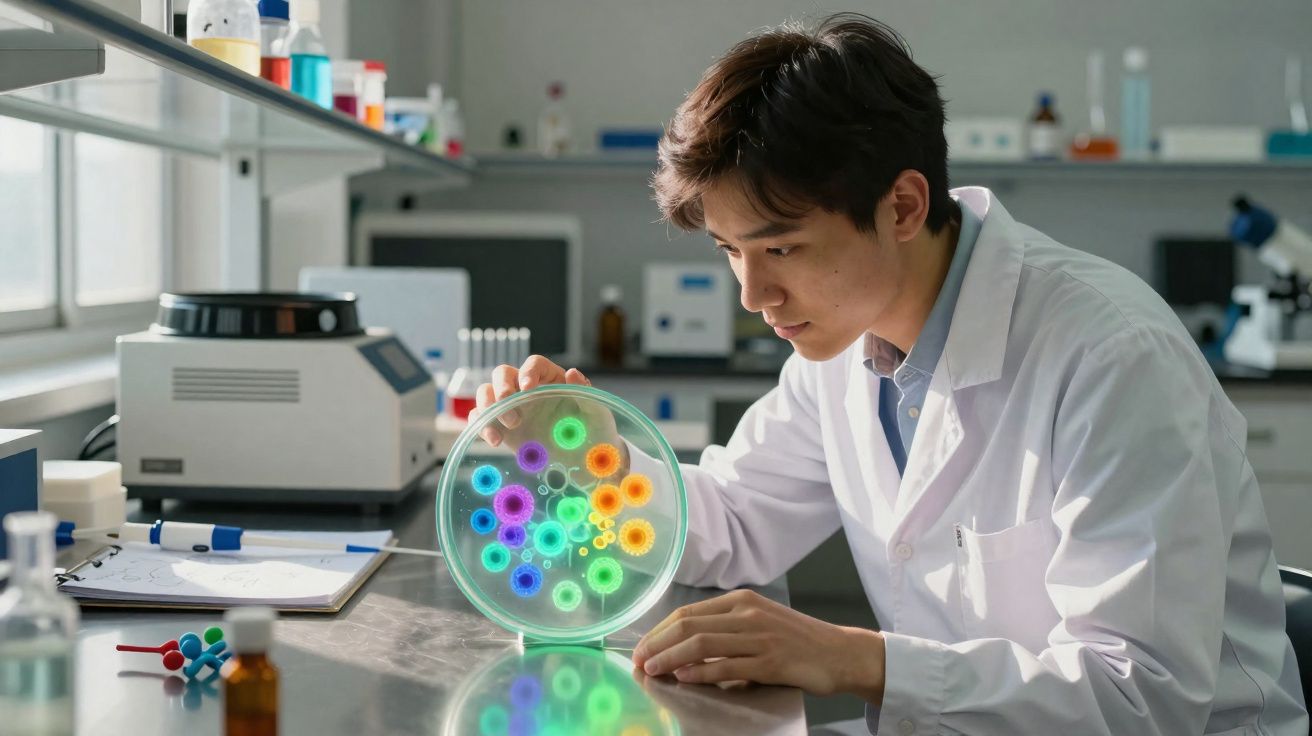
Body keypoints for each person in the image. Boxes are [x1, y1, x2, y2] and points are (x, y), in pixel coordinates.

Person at [472, 13, 1307, 735]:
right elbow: (737, 517)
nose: (753, 295)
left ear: (902, 206)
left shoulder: (1111, 357)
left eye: (781, 248)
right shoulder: (845, 347)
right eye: (730, 251)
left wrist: (856, 660)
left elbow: (1143, 698)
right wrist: (597, 458)